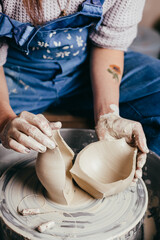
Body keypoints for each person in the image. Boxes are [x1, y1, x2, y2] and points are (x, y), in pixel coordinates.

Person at [0, 0, 160, 180]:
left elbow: (109, 44)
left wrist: (108, 114)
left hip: (86, 65)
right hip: (14, 74)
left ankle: (142, 182)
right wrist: (5, 120)